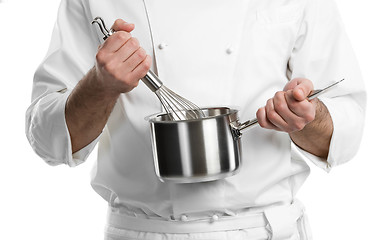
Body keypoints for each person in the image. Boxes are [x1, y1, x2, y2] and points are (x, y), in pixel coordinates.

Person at [25, 0, 366, 239]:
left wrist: (307, 117)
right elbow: (49, 141)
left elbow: (345, 136)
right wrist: (100, 86)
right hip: (144, 234)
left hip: (262, 232)